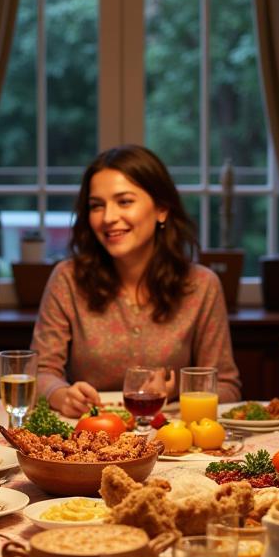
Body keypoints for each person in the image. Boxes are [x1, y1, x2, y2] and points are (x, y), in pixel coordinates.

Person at [32, 145, 240, 416]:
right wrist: (61, 395)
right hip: (89, 437)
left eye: (125, 201)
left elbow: (228, 387)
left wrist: (177, 391)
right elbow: (40, 372)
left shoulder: (201, 285)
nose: (108, 218)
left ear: (162, 208)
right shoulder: (67, 279)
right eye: (97, 206)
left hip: (170, 440)